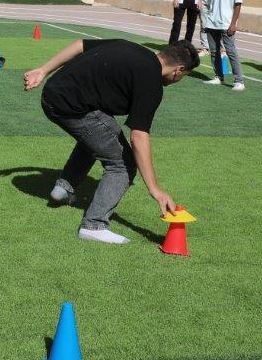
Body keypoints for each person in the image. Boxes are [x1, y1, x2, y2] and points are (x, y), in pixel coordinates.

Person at [24, 38, 199, 245]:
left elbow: (79, 44)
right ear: (178, 70)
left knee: (101, 134)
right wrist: (155, 189)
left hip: (52, 92)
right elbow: (139, 136)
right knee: (123, 162)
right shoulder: (151, 83)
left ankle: (63, 189)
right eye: (183, 76)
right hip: (70, 106)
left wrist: (43, 70)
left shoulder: (127, 46)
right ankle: (94, 226)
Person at [201, 0, 245, 91]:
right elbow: (210, 3)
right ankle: (218, 77)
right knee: (214, 52)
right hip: (212, 22)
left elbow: (238, 4)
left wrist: (233, 23)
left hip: (226, 23)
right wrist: (207, 21)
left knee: (230, 51)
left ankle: (239, 81)